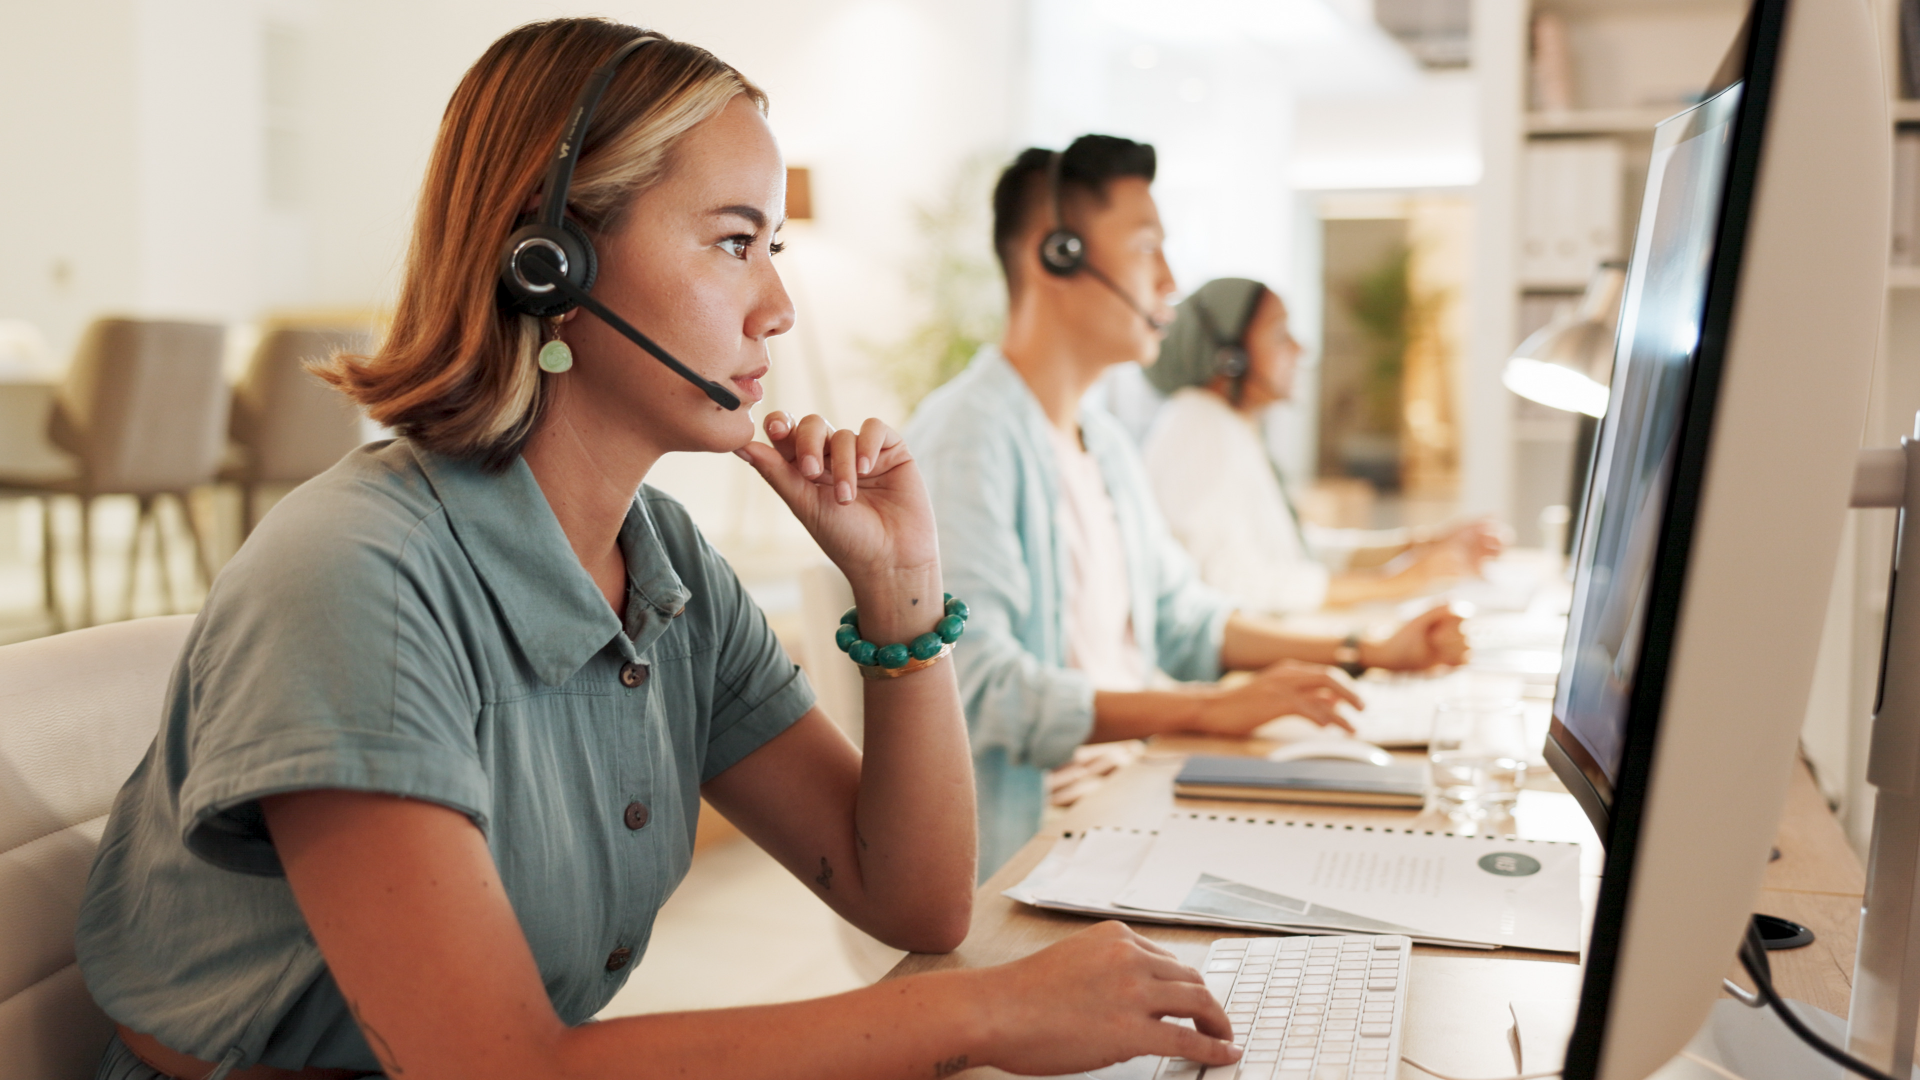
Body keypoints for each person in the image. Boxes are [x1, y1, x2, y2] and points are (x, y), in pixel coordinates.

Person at [74, 23, 1245, 1080]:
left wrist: (898, 592)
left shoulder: (661, 561)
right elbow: (497, 1066)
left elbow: (917, 899)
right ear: (551, 263)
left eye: (773, 243)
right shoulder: (358, 577)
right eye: (737, 243)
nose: (778, 304)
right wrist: (982, 1017)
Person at [904, 136, 1469, 878]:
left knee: (1395, 843)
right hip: (1042, 839)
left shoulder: (1100, 441)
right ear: (1061, 255)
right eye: (1147, 249)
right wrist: (1199, 711)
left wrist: (1368, 652)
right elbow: (982, 691)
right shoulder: (968, 439)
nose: (1170, 280)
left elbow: (1185, 620)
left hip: (1135, 793)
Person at [1141, 278, 1505, 614]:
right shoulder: (1200, 427)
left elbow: (1297, 552)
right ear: (1230, 358)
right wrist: (1398, 583)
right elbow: (1235, 585)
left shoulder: (1229, 425)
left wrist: (1421, 546)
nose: (1301, 348)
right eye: (1281, 334)